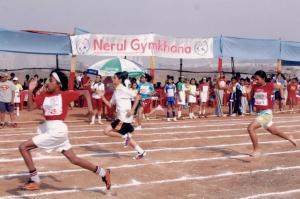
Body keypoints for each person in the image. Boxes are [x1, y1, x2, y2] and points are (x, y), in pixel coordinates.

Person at [18, 70, 111, 191]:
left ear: (59, 84)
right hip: (51, 129)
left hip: (57, 130)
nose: (47, 83)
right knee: (74, 159)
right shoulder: (44, 95)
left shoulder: (65, 94)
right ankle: (103, 172)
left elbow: (85, 92)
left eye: (51, 81)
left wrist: (90, 108)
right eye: (48, 80)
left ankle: (35, 180)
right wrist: (30, 90)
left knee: (23, 147)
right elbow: (30, 108)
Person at [247, 70, 297, 157]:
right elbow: (250, 98)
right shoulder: (254, 86)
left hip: (266, 113)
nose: (255, 81)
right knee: (274, 131)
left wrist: (282, 98)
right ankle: (289, 137)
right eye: (254, 79)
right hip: (259, 113)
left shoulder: (269, 85)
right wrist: (247, 93)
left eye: (257, 79)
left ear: (263, 78)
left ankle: (257, 149)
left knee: (250, 128)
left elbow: (281, 87)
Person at [101, 71, 146, 160]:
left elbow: (138, 97)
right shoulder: (116, 91)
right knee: (125, 135)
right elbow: (110, 105)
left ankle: (125, 137)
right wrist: (102, 97)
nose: (112, 79)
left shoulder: (123, 89)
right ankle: (141, 152)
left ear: (120, 80)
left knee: (106, 131)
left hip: (124, 117)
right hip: (121, 117)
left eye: (114, 78)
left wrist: (132, 110)